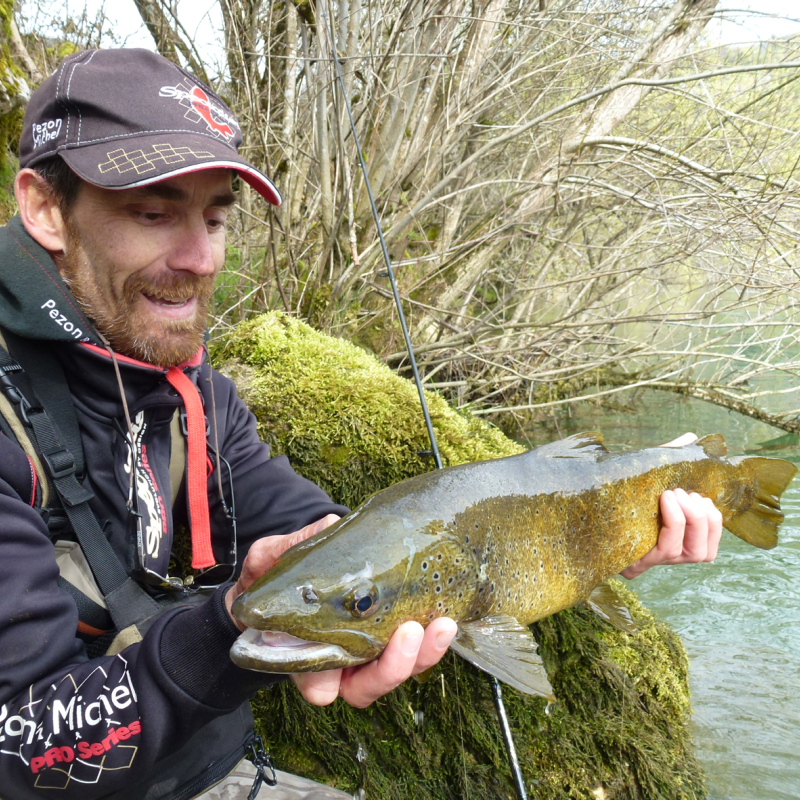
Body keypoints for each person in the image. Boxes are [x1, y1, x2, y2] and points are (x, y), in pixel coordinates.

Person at [0, 48, 722, 800]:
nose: (202, 258)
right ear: (47, 209)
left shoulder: (192, 391)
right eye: (155, 213)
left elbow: (320, 530)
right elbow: (18, 753)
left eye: (216, 218)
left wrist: (601, 523)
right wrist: (228, 630)